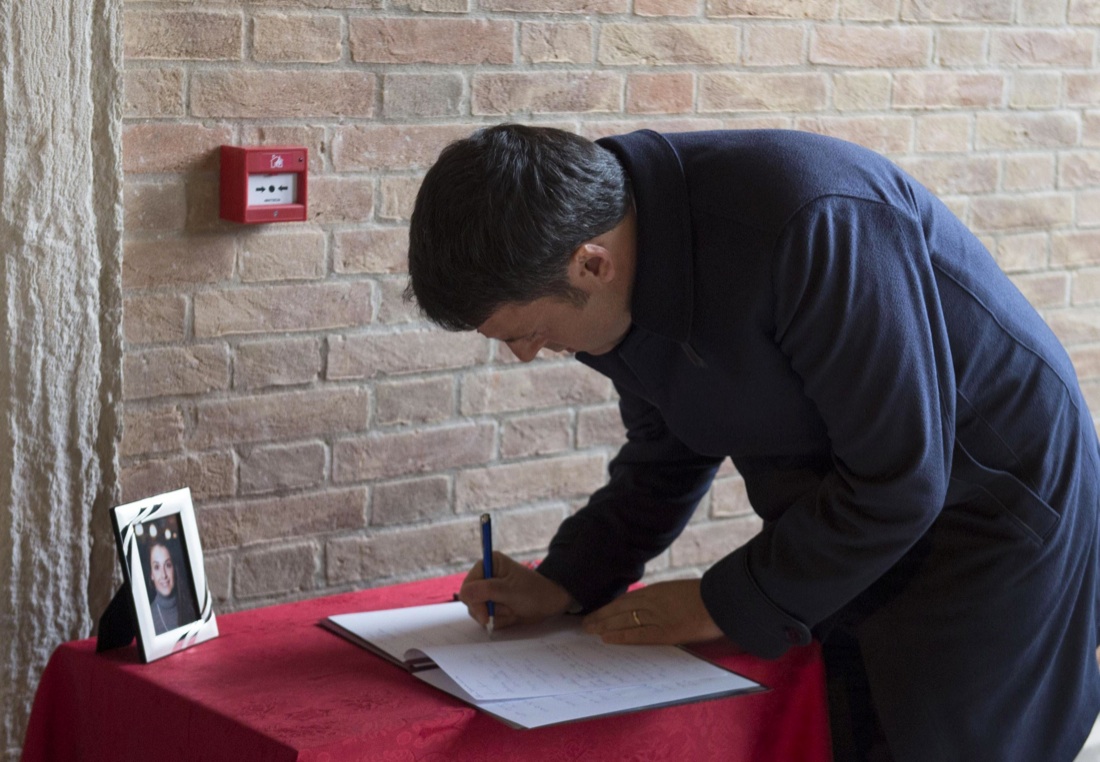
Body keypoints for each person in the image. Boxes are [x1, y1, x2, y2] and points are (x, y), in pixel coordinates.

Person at [405, 124, 1100, 761]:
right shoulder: (600, 252)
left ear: (591, 266)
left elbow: (901, 478)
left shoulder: (812, 218)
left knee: (948, 738)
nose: (527, 355)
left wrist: (718, 602)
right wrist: (567, 579)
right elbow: (667, 451)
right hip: (854, 509)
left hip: (992, 505)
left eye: (524, 333)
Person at [147, 538, 197, 635]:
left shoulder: (191, 605)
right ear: (151, 574)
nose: (164, 575)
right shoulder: (148, 618)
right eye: (157, 567)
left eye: (168, 565)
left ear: (174, 568)